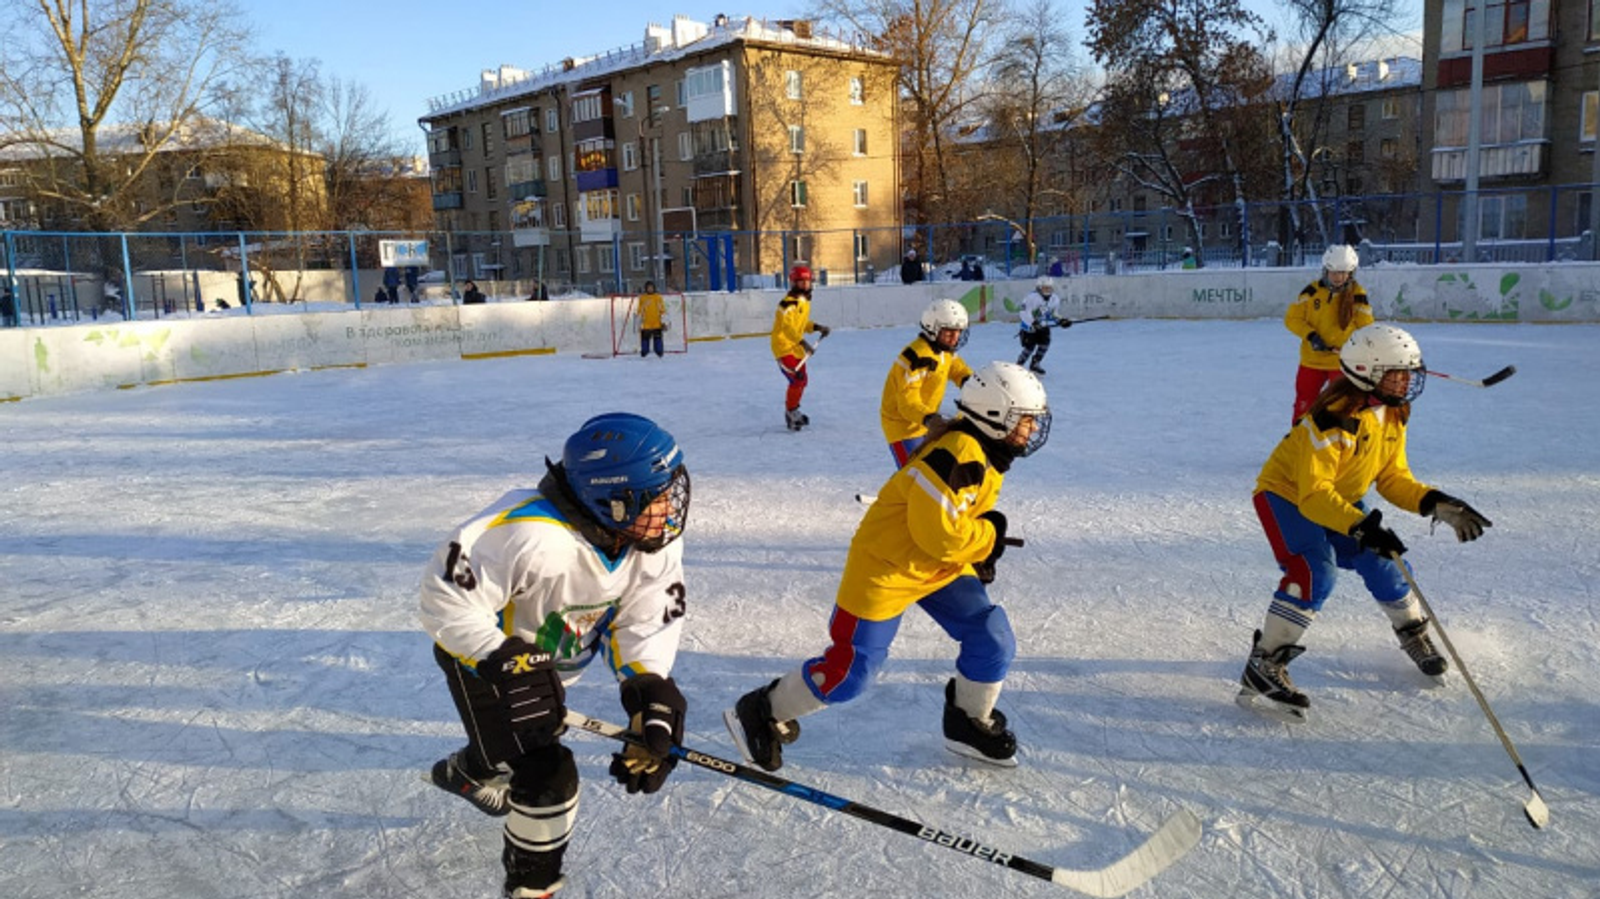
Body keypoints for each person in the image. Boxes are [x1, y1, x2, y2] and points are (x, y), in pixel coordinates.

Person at [725, 362, 1051, 770]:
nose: (1032, 430)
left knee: (992, 634)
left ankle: (967, 722)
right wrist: (987, 539)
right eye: (1025, 421)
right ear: (993, 415)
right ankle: (762, 709)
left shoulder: (986, 451)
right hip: (887, 567)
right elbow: (942, 536)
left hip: (933, 567)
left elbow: (951, 530)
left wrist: (980, 546)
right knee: (851, 672)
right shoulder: (959, 452)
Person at [420, 412, 693, 899]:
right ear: (612, 500)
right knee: (547, 774)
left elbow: (645, 618)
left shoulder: (648, 541)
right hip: (485, 668)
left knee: (509, 748)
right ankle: (531, 885)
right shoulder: (525, 535)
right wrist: (502, 659)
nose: (670, 507)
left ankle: (469, 771)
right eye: (656, 496)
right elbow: (446, 599)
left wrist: (650, 688)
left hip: (546, 671)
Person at [1237, 324, 1492, 722]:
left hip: (1337, 495)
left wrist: (1434, 503)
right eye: (1397, 371)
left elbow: (1392, 478)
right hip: (1286, 495)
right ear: (1366, 371)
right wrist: (1360, 525)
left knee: (1383, 559)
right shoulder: (1331, 419)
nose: (1407, 379)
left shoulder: (1392, 412)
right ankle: (1263, 664)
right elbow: (1314, 495)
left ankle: (1413, 632)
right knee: (1314, 570)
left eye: (1409, 370)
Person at [1284, 244, 1373, 424]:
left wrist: (1357, 348)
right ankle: (1298, 440)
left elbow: (1366, 328)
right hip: (1311, 360)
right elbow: (1292, 319)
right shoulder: (1311, 291)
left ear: (1351, 273)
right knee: (1304, 404)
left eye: (1343, 273)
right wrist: (1311, 336)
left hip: (1341, 362)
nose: (1338, 277)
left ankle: (1339, 443)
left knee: (1341, 406)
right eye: (1333, 272)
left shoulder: (1358, 294)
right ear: (1325, 270)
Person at [879, 299, 973, 467]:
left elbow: (957, 369)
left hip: (926, 422)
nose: (955, 338)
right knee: (912, 472)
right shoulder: (917, 358)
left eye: (958, 331)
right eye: (949, 332)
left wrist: (971, 384)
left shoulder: (944, 350)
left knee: (933, 469)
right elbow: (907, 403)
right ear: (932, 329)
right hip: (903, 426)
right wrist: (929, 418)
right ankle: (895, 493)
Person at [770, 263, 830, 431]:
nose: (806, 285)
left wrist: (817, 327)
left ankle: (793, 409)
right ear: (794, 282)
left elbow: (801, 324)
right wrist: (803, 343)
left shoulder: (803, 302)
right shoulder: (787, 304)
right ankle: (791, 412)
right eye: (801, 282)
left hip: (796, 347)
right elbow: (788, 328)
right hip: (783, 347)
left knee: (803, 381)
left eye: (808, 281)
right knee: (797, 380)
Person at [1016, 275, 1068, 375]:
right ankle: (1019, 365)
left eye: (1050, 288)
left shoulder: (1054, 299)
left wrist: (1061, 320)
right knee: (1029, 347)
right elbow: (1023, 313)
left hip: (1043, 326)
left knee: (1044, 345)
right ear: (1039, 288)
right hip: (1029, 327)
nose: (1048, 290)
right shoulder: (1031, 298)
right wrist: (1033, 322)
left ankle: (1035, 363)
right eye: (1045, 288)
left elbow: (1053, 314)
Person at [637, 281, 666, 358]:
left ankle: (659, 351)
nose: (650, 289)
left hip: (656, 323)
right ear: (646, 288)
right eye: (648, 288)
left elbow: (662, 310)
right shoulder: (643, 298)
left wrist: (664, 321)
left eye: (651, 287)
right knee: (645, 339)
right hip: (646, 324)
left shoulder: (658, 297)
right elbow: (640, 310)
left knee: (658, 339)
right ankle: (644, 351)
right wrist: (638, 322)